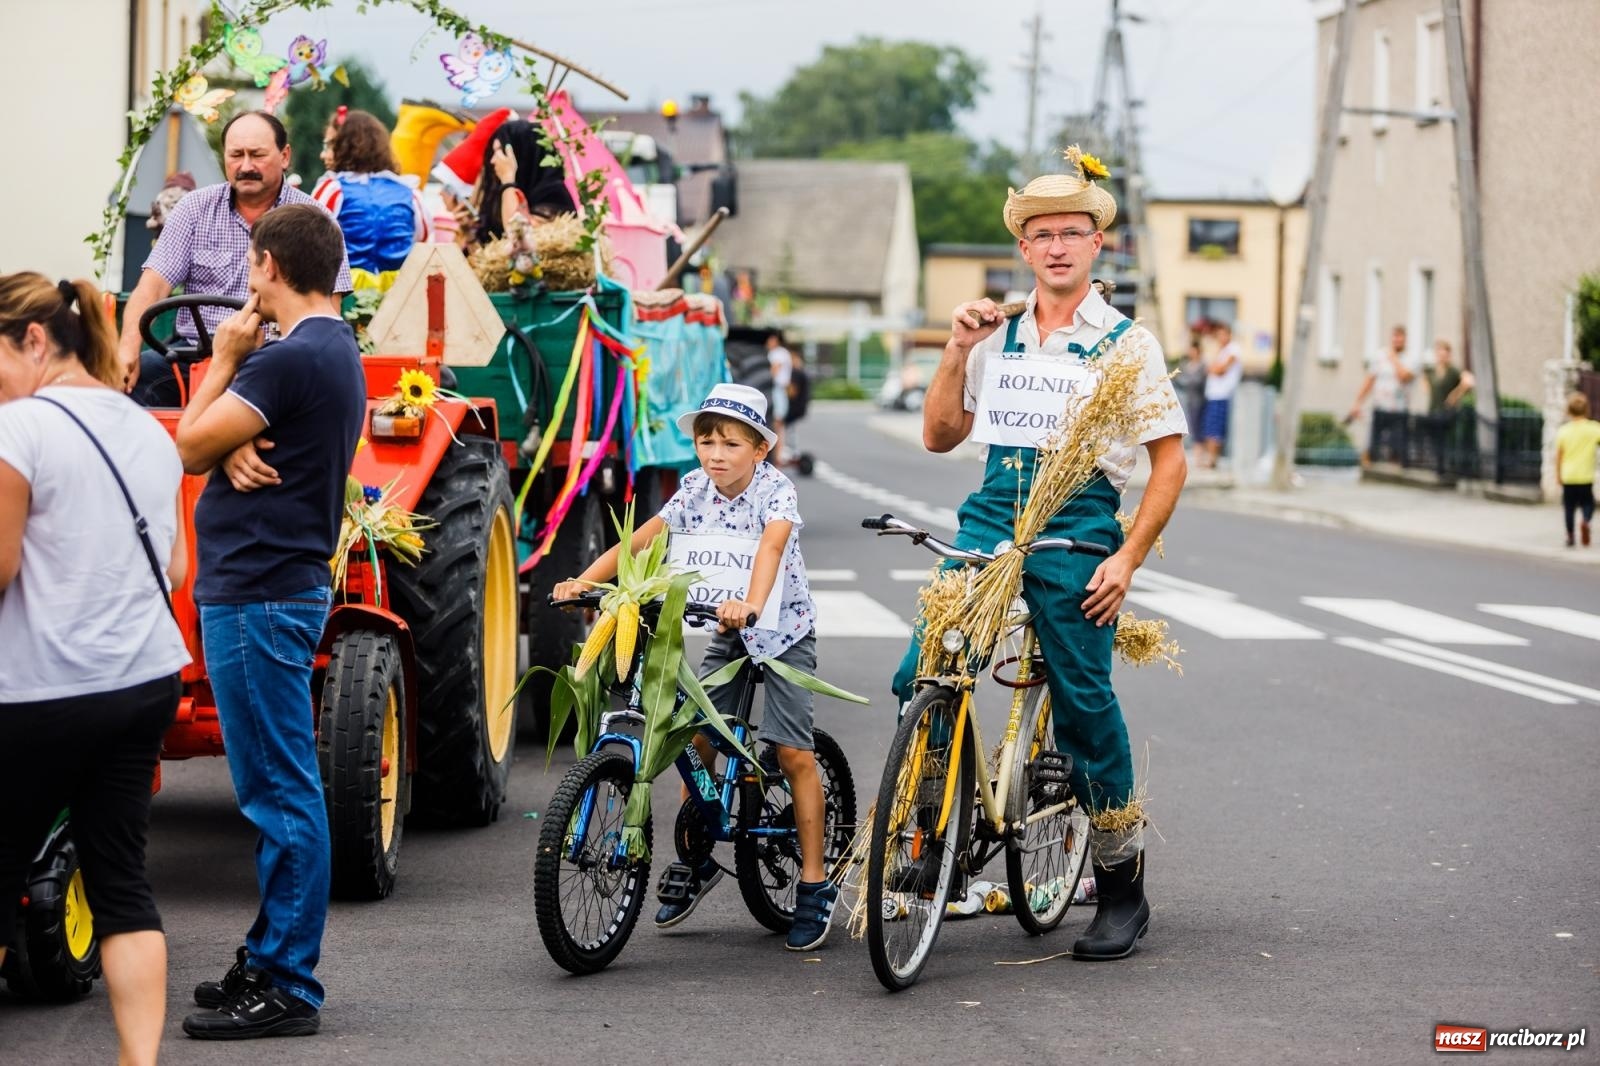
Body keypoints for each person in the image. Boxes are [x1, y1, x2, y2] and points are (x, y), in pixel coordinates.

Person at [898, 146, 1187, 961]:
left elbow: (1170, 463)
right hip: (993, 514)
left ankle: (1122, 885)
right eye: (1041, 234)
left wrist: (1126, 557)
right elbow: (938, 436)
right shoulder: (997, 336)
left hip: (1078, 518)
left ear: (1098, 245)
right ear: (1022, 249)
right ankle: (931, 838)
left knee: (1086, 700)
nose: (1057, 246)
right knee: (923, 665)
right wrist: (955, 350)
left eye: (1072, 232)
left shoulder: (1129, 346)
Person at [552, 382, 837, 951]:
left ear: (759, 449)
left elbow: (771, 550)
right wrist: (587, 579)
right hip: (724, 626)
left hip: (778, 628)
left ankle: (813, 883)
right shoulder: (692, 490)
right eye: (706, 441)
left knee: (791, 751)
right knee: (694, 736)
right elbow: (641, 540)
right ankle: (697, 854)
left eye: (730, 443)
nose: (715, 453)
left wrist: (752, 603)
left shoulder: (776, 492)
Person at [173, 203, 365, 1039]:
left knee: (279, 793)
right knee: (275, 788)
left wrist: (222, 364)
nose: (245, 279)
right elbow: (218, 442)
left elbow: (185, 443)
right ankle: (267, 956)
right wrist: (231, 436)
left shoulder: (287, 361)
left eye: (252, 265)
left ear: (272, 268)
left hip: (257, 592)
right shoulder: (331, 349)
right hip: (273, 585)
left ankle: (287, 981)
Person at [0, 273, 189, 1066]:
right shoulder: (148, 430)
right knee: (121, 886)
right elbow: (180, 570)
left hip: (40, 692)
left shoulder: (21, 430)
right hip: (141, 684)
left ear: (34, 340)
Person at [118, 110, 352, 408]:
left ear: (285, 156)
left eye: (257, 155)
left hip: (274, 361)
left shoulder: (315, 221)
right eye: (236, 155)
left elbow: (327, 314)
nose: (245, 166)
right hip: (194, 356)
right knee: (122, 393)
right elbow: (150, 288)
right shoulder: (194, 209)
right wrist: (127, 349)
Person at [310, 107, 430, 278]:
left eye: (330, 145)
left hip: (344, 297)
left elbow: (308, 245)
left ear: (346, 147)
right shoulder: (410, 194)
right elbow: (422, 239)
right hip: (400, 296)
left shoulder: (332, 190)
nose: (323, 154)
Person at [1345, 324, 1416, 463]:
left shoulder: (1410, 358)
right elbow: (1369, 381)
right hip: (1380, 407)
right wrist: (1357, 403)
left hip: (1399, 410)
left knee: (1396, 447)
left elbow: (1404, 376)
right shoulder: (1380, 356)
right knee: (1372, 444)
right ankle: (1369, 466)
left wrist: (1393, 358)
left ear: (1405, 339)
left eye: (1400, 338)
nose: (1397, 340)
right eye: (1395, 337)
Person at [1555, 392, 1600, 548]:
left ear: (1568, 410)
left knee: (1569, 507)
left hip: (1568, 476)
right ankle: (1586, 520)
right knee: (1588, 504)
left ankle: (1570, 536)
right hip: (1585, 476)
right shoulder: (1594, 428)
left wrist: (1558, 475)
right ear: (1587, 409)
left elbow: (1559, 457)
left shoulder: (1564, 431)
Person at [1200, 321, 1242, 470]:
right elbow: (1210, 368)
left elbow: (1219, 370)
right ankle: (1210, 459)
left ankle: (1213, 460)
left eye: (1223, 334)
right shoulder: (1221, 351)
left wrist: (1213, 368)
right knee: (1210, 428)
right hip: (1214, 394)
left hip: (1222, 395)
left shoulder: (1233, 350)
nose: (1220, 338)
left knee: (1216, 429)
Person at [1173, 330, 1207, 462]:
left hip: (1198, 400)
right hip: (1188, 400)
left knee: (1198, 427)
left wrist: (1186, 380)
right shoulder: (1187, 365)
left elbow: (1197, 381)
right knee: (1191, 426)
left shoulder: (1202, 365)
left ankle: (1200, 455)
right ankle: (1196, 453)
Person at [766, 329, 793, 462]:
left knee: (776, 425)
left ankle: (777, 457)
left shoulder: (779, 353)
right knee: (777, 426)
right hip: (776, 391)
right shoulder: (777, 353)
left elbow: (774, 372)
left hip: (777, 391)